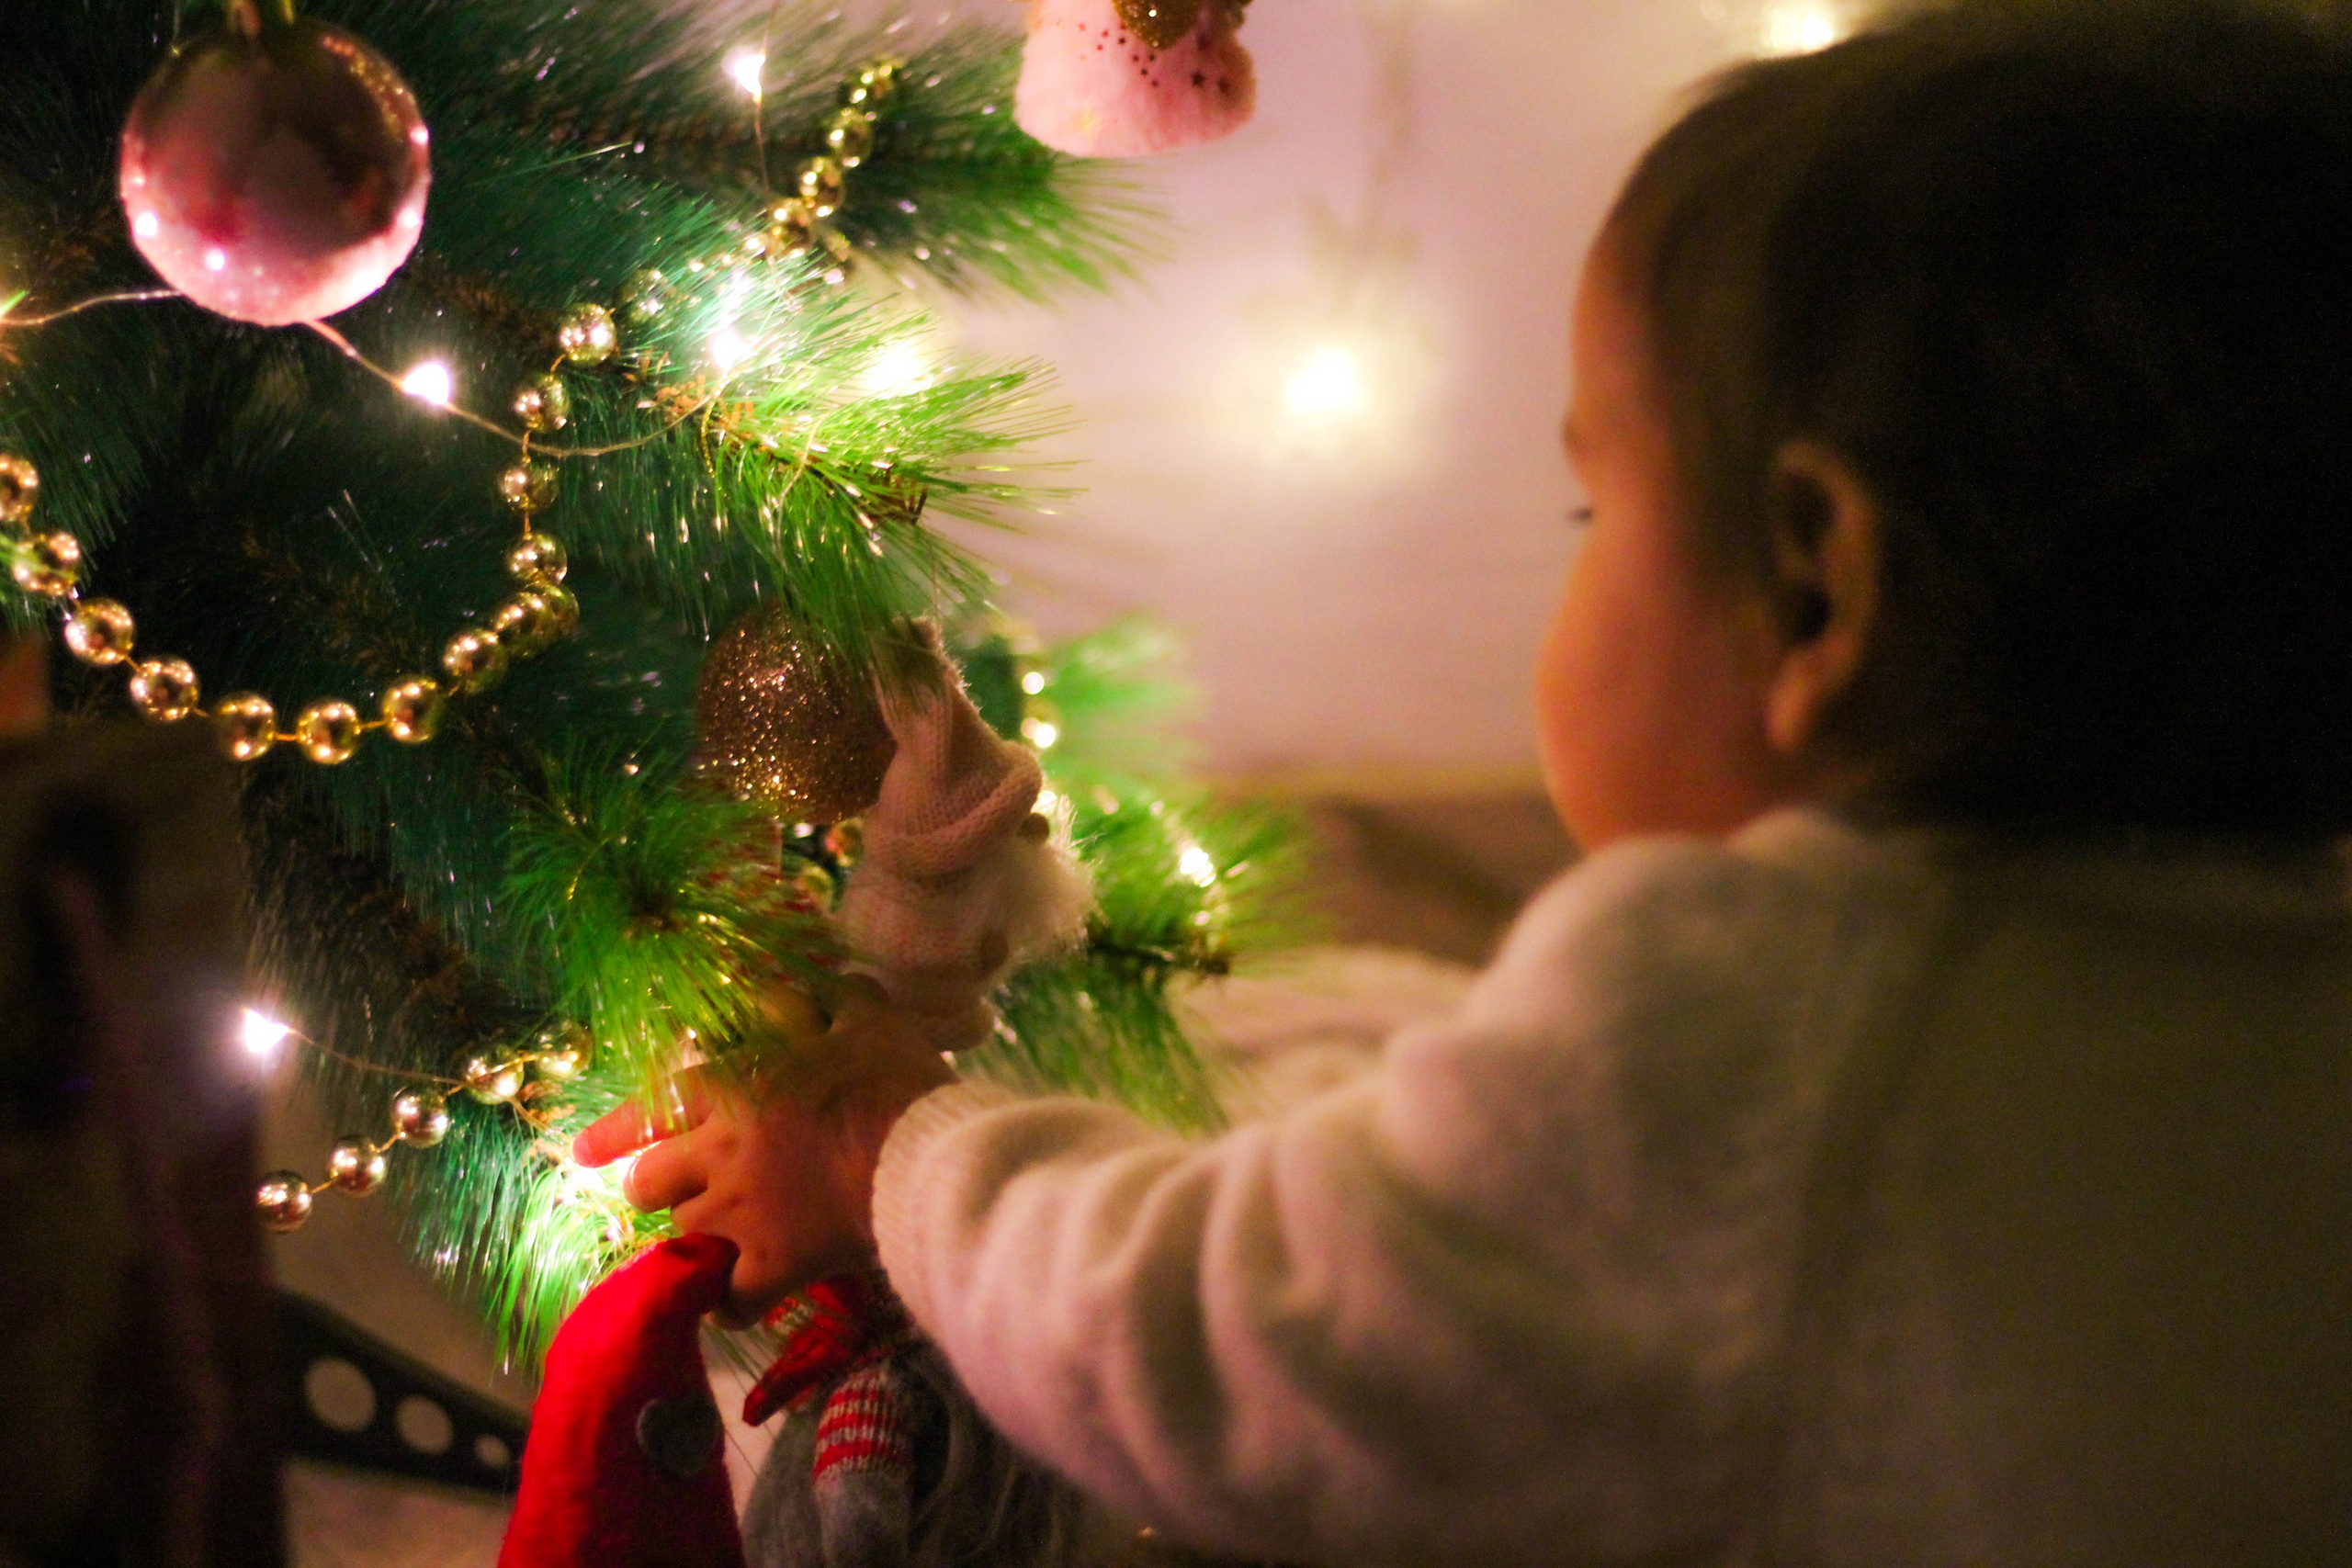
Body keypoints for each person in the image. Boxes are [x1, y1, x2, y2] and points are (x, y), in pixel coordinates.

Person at [578, 2, 2352, 1560]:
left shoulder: (1765, 1016)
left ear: (1816, 583)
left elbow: (1204, 1335)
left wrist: (895, 1128)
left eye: (1599, 507)